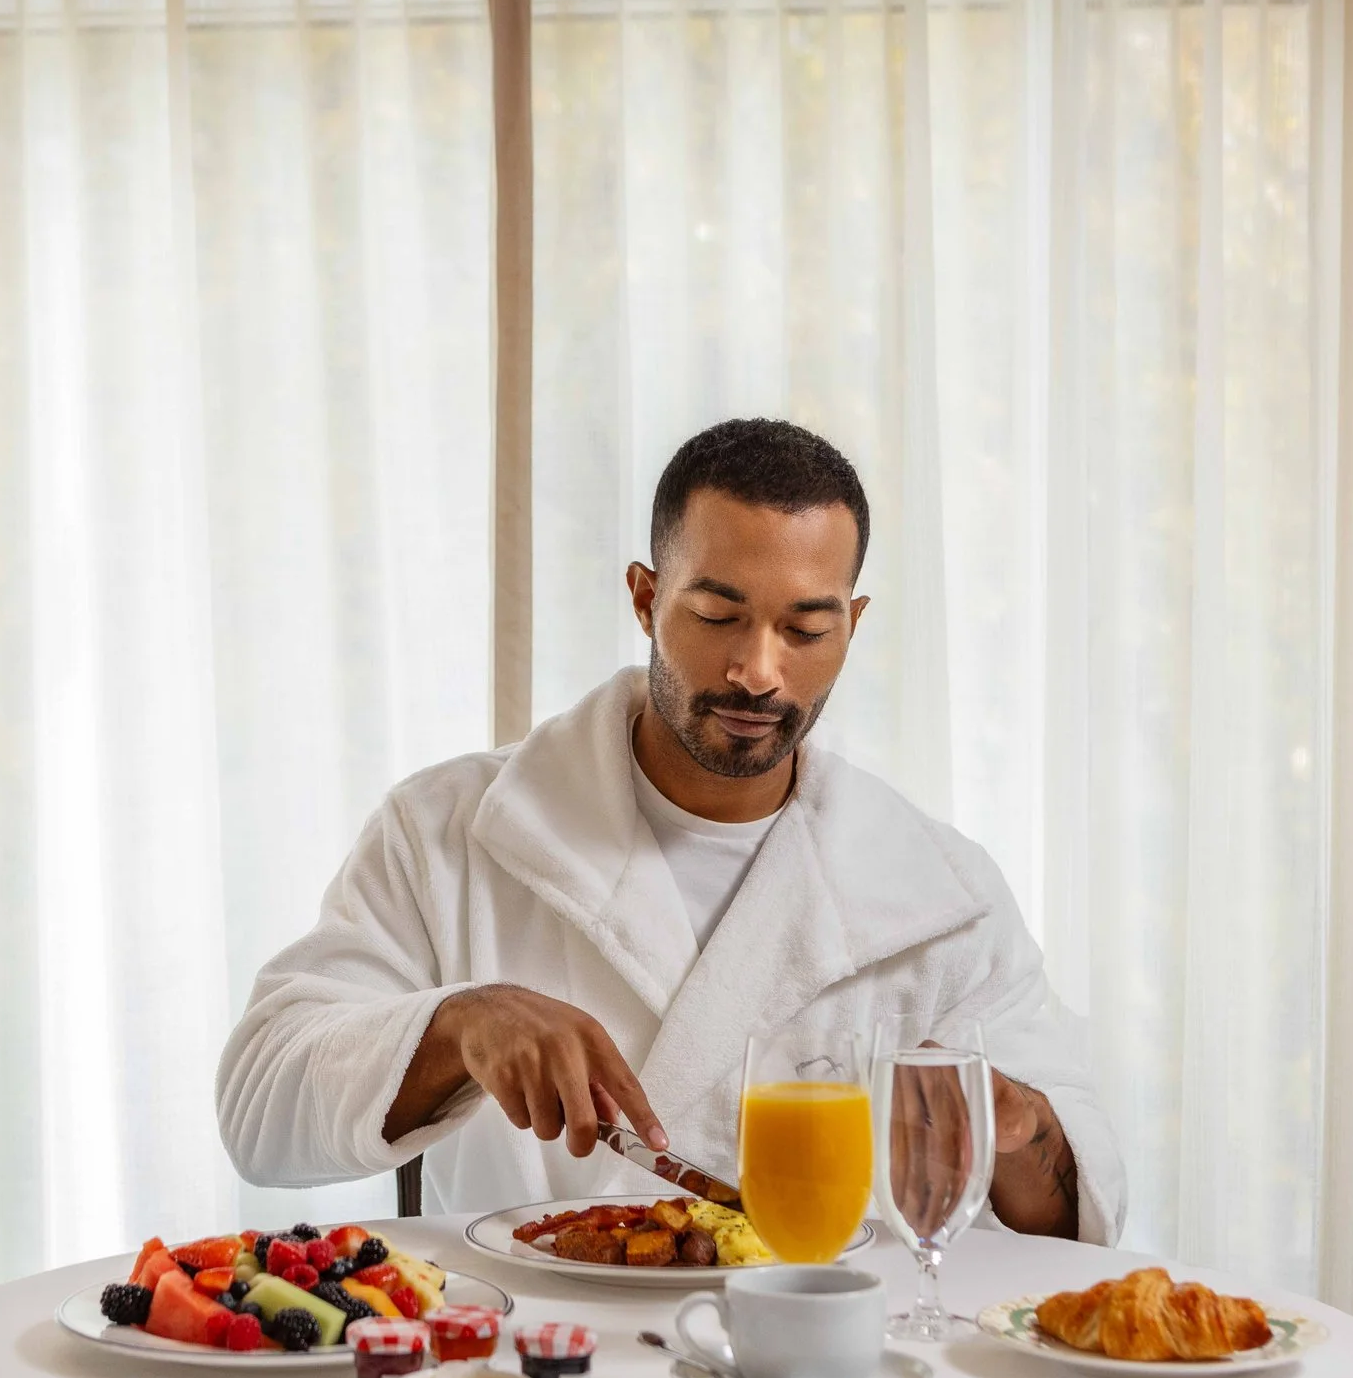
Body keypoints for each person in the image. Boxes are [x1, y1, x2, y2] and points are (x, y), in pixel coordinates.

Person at [216, 418, 1123, 1242]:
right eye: (718, 616)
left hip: (829, 1355)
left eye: (806, 629)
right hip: (525, 1351)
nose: (757, 671)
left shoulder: (939, 893)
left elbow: (1073, 1222)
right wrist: (458, 1025)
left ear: (852, 624)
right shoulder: (448, 830)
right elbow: (259, 1109)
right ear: (646, 598)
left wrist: (1016, 1126)